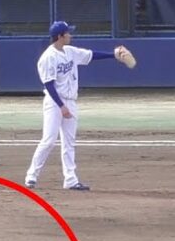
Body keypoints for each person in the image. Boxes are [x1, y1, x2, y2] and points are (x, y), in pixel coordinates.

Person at [25, 21, 122, 191]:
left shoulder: (70, 51)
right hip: (54, 102)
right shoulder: (48, 57)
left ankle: (70, 179)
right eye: (68, 33)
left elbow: (91, 55)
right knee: (49, 140)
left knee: (69, 142)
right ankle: (31, 176)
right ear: (60, 36)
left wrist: (113, 55)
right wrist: (61, 106)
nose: (70, 35)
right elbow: (49, 84)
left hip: (71, 101)